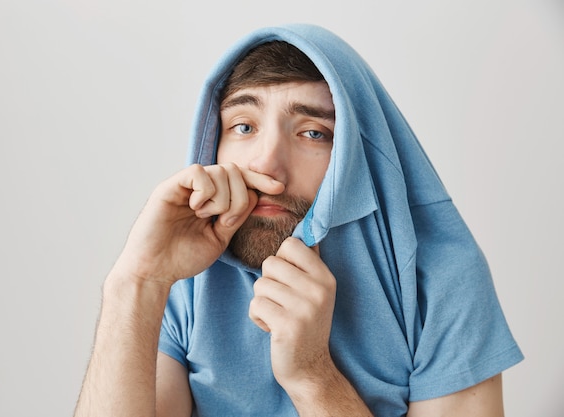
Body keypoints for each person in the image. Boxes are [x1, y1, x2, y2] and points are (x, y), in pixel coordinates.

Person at [73, 24, 523, 417]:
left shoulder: (443, 280)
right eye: (243, 127)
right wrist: (138, 281)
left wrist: (314, 377)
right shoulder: (183, 273)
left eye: (312, 132)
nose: (267, 165)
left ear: (356, 158)